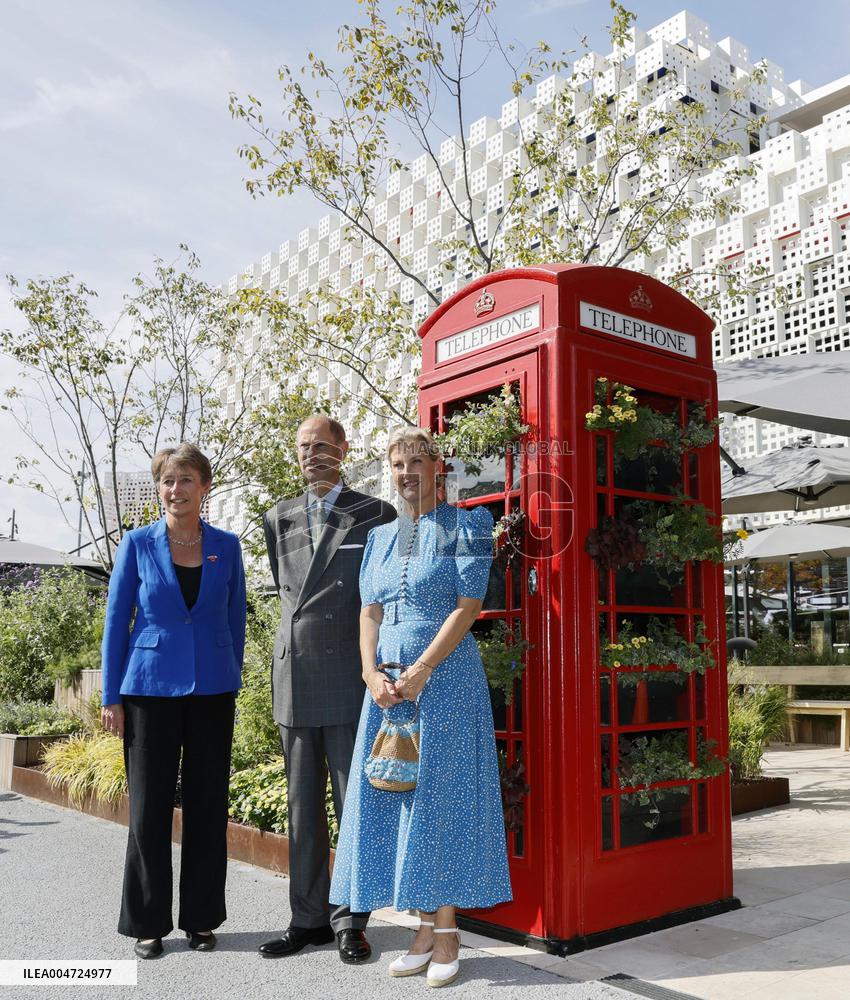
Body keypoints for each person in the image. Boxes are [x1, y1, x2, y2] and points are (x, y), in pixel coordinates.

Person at [329, 426, 512, 988]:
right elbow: (369, 612)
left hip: (447, 682)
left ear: (439, 468)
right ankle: (426, 928)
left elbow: (468, 605)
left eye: (416, 462)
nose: (406, 473)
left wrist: (424, 668)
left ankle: (447, 931)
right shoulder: (380, 537)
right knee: (397, 798)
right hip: (387, 690)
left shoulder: (469, 525)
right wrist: (370, 673)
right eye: (396, 464)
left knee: (442, 800)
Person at [100, 443, 246, 959]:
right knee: (148, 810)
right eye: (167, 480)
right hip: (148, 689)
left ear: (204, 486)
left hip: (212, 690)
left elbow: (236, 615)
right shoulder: (137, 544)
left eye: (186, 479)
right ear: (159, 488)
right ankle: (147, 921)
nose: (175, 489)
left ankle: (202, 919)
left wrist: (231, 673)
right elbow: (117, 622)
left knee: (208, 806)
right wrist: (111, 695)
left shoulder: (226, 546)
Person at [259, 415, 396, 964]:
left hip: (347, 676)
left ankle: (350, 922)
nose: (310, 455)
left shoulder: (374, 514)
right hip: (294, 674)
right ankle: (307, 919)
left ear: (342, 449)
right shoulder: (278, 517)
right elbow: (287, 593)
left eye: (320, 445)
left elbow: (379, 596)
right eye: (302, 447)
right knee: (300, 808)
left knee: (351, 804)